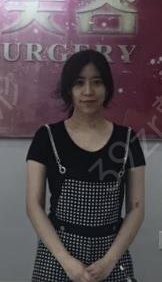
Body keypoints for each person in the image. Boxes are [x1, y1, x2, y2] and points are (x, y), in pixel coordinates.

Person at [26, 50, 145, 282]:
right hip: (58, 256)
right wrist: (66, 261)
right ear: (68, 89)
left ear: (107, 87)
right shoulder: (47, 137)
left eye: (97, 82)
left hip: (110, 256)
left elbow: (137, 208)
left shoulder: (127, 139)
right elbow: (33, 206)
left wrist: (109, 262)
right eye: (79, 83)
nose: (88, 91)